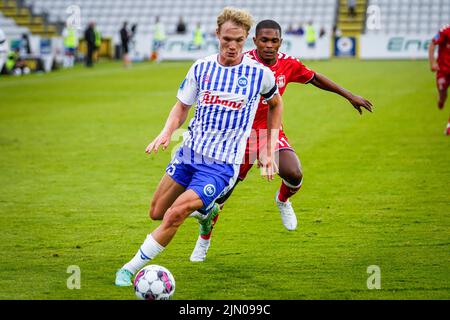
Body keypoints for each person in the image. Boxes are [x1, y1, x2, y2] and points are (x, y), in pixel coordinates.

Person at [114, 7, 284, 286]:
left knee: (174, 214)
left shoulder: (259, 74)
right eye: (227, 39)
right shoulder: (201, 67)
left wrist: (267, 146)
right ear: (217, 34)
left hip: (221, 166)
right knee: (156, 212)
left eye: (239, 41)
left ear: (246, 40)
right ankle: (208, 213)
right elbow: (182, 106)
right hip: (189, 154)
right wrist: (166, 132)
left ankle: (129, 269)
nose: (232, 46)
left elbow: (276, 103)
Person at [190, 19, 373, 262]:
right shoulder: (241, 63)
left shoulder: (287, 64)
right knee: (219, 198)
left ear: (280, 42)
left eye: (274, 40)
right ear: (254, 41)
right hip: (238, 138)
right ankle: (204, 241)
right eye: (264, 40)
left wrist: (349, 95)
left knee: (294, 173)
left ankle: (282, 200)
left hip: (270, 133)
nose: (269, 45)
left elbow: (315, 77)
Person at [428, 24, 450, 135]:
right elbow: (432, 44)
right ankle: (441, 100)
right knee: (443, 94)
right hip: (443, 70)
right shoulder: (445, 31)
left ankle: (449, 126)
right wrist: (432, 63)